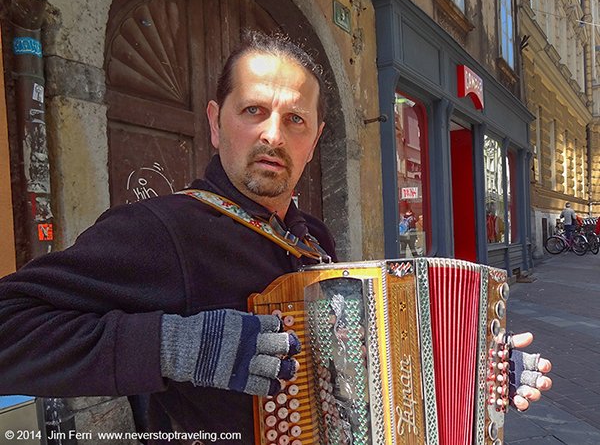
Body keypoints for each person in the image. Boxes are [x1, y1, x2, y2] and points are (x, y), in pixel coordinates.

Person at [0, 30, 551, 443]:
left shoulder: (313, 241)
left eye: (295, 120)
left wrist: (478, 374)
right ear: (217, 124)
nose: (272, 134)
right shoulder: (163, 231)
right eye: (254, 111)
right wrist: (174, 346)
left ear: (315, 139)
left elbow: (355, 381)